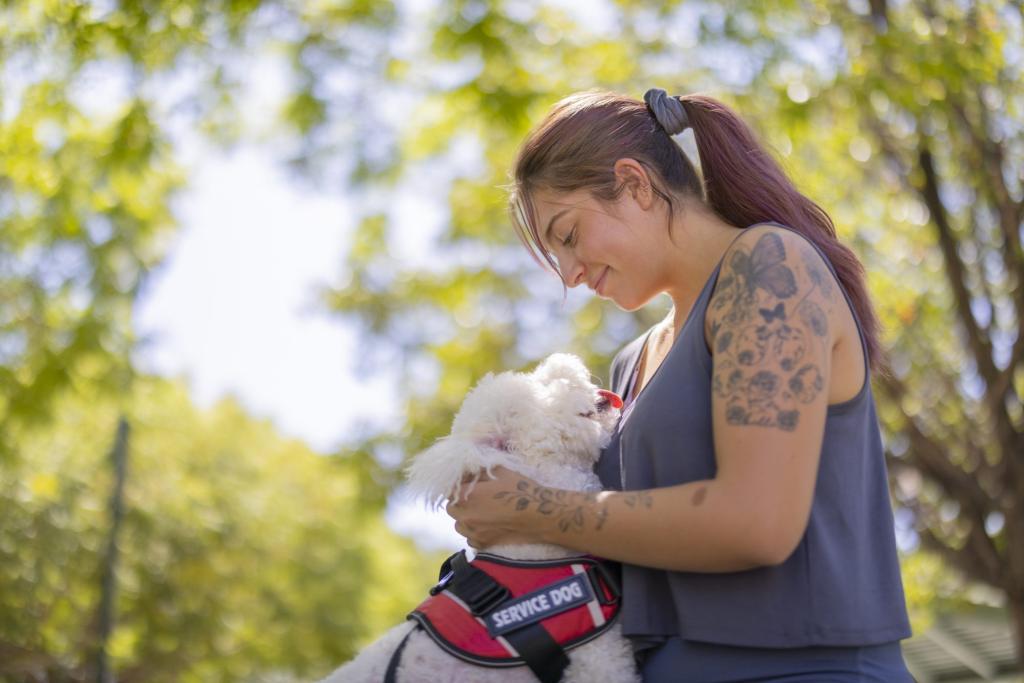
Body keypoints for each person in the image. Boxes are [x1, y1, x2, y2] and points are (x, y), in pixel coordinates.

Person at [444, 88, 913, 682]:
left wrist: (530, 509)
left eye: (568, 235)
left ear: (635, 184)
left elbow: (756, 524)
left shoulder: (770, 270)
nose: (570, 274)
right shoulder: (630, 363)